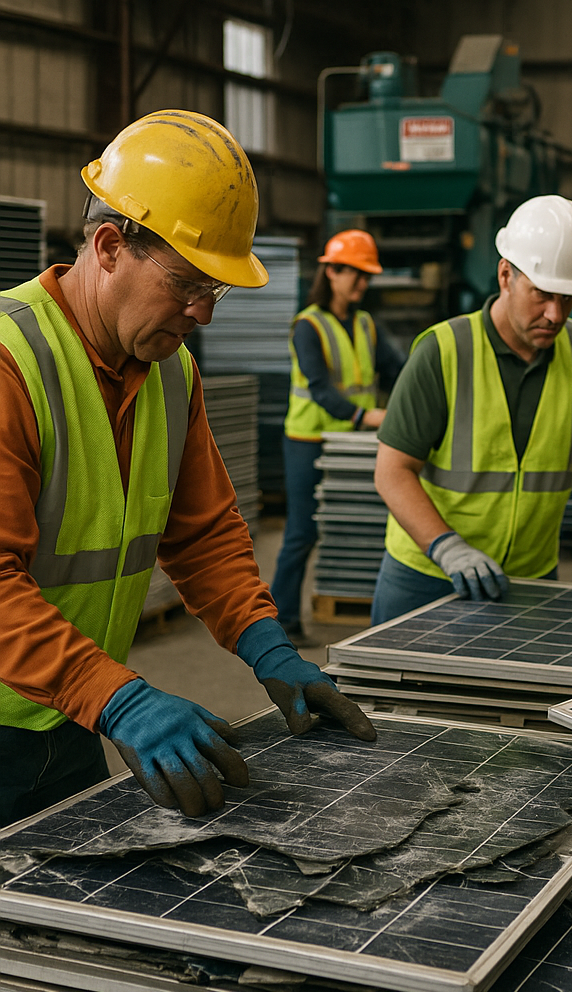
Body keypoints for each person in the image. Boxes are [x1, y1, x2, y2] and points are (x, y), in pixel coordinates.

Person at [0, 110, 375, 829]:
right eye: (186, 283)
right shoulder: (12, 363)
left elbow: (203, 537)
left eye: (217, 289)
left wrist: (270, 648)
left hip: (71, 721)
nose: (203, 311)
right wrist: (122, 697)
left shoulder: (171, 375)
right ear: (109, 246)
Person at [371, 194, 572, 625]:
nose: (555, 314)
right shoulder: (443, 352)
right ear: (505, 276)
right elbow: (391, 471)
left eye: (569, 298)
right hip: (427, 575)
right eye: (543, 294)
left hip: (530, 581)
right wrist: (447, 547)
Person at [270, 230, 404, 643]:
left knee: (359, 526)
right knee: (301, 532)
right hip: (309, 443)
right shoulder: (307, 326)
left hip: (349, 444)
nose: (362, 284)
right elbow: (321, 389)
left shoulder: (366, 325)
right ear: (331, 272)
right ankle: (281, 620)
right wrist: (368, 414)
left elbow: (398, 368)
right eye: (356, 274)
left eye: (367, 276)